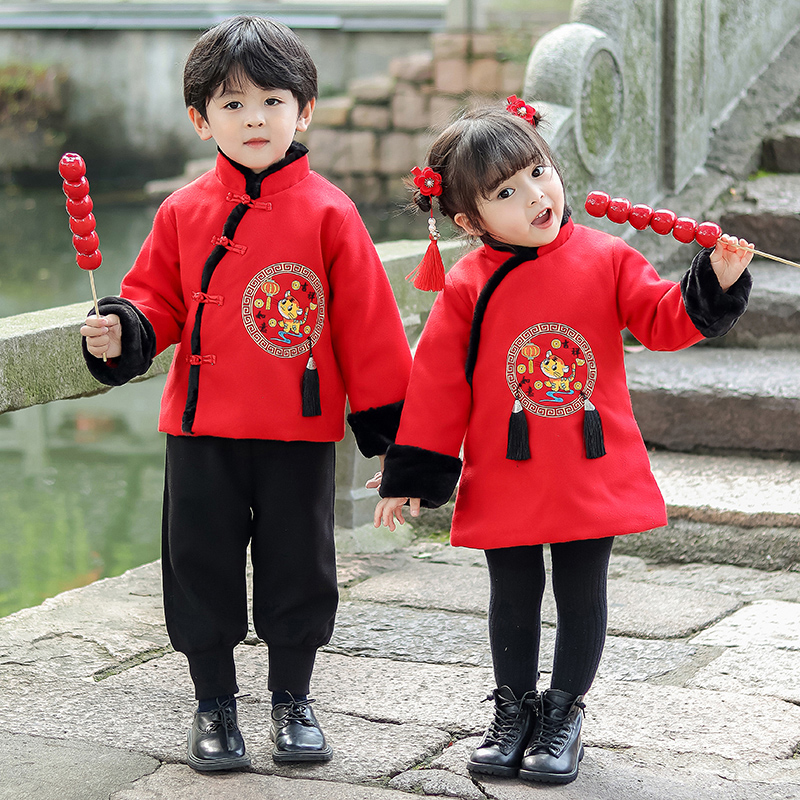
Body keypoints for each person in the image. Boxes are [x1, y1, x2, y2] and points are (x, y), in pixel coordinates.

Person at [374, 100, 752, 785]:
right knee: (512, 594)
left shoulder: (607, 257)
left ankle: (564, 711)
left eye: (539, 173)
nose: (537, 197)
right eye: (507, 194)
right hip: (508, 469)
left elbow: (664, 322)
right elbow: (437, 387)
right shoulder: (468, 285)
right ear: (468, 221)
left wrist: (714, 281)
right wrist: (414, 473)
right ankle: (514, 709)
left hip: (586, 464)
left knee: (582, 593)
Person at [81, 15, 411, 772]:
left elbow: (369, 332)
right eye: (231, 104)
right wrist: (122, 331)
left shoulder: (333, 212)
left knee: (301, 565)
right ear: (201, 121)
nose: (254, 117)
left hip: (298, 428)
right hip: (201, 431)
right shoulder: (180, 212)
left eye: (271, 99)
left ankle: (293, 700)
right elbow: (155, 302)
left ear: (306, 110)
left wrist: (396, 445)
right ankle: (214, 704)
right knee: (200, 564)